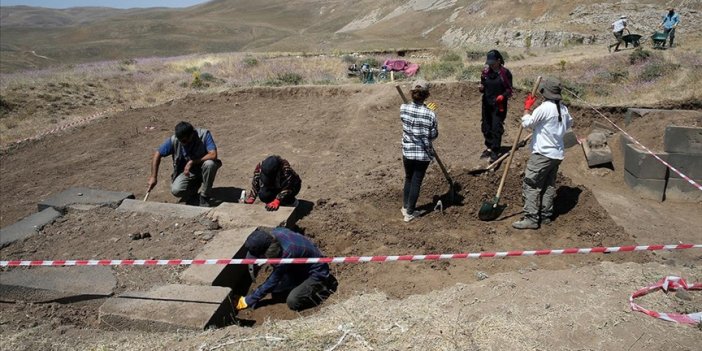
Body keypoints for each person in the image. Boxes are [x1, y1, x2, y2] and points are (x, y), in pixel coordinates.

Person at [512, 78, 573, 230]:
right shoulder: (563, 109)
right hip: (557, 154)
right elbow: (569, 124)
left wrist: (527, 109)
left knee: (531, 184)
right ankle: (546, 215)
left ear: (545, 93)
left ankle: (531, 218)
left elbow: (527, 123)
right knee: (548, 185)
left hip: (542, 154)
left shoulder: (544, 108)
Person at [235, 227, 338, 312]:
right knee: (277, 289)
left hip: (317, 273)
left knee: (293, 301)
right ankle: (296, 279)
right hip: (299, 265)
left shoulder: (286, 254)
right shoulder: (276, 233)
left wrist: (249, 300)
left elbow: (272, 281)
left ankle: (322, 287)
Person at [147, 121, 220, 207]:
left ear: (192, 134)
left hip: (203, 168)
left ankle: (204, 196)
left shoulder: (204, 134)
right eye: (180, 140)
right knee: (176, 190)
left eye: (184, 141)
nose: (182, 143)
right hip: (188, 172)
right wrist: (153, 177)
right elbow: (157, 154)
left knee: (210, 164)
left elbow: (213, 154)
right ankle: (193, 192)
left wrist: (193, 161)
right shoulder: (175, 139)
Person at [400, 80, 438, 223]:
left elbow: (407, 118)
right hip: (422, 154)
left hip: (408, 151)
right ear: (426, 95)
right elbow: (433, 135)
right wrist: (429, 110)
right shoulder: (430, 114)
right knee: (416, 181)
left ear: (412, 93)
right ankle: (409, 213)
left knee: (408, 178)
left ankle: (405, 207)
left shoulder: (403, 108)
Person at [478, 49, 513, 163]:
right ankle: (489, 147)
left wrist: (503, 96)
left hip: (499, 105)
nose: (491, 65)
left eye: (493, 62)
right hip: (487, 104)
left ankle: (495, 150)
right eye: (489, 63)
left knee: (496, 128)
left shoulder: (505, 73)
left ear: (499, 61)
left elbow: (509, 90)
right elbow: (483, 86)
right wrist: (481, 88)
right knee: (486, 127)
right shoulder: (486, 73)